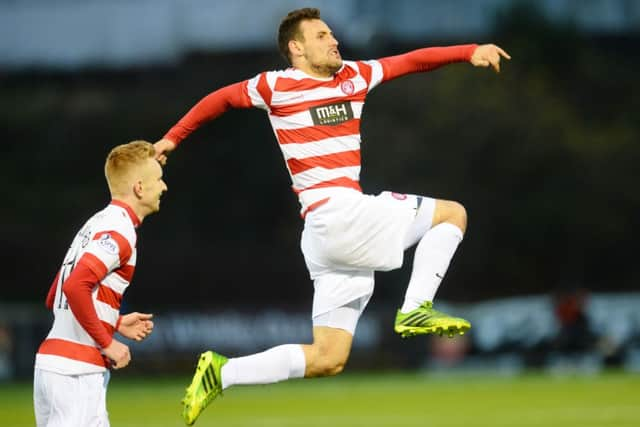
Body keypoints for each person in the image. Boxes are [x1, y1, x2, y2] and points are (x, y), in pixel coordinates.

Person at [153, 8, 510, 425]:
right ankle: (415, 308)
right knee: (453, 214)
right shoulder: (276, 86)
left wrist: (468, 51)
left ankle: (222, 372)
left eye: (332, 35)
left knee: (328, 358)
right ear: (296, 47)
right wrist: (173, 138)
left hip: (330, 237)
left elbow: (411, 61)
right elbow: (222, 98)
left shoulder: (353, 77)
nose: (334, 41)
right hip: (337, 214)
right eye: (322, 36)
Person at [33, 140, 167, 427]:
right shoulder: (120, 230)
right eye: (158, 179)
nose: (164, 187)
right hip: (76, 373)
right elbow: (74, 287)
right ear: (139, 188)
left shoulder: (95, 223)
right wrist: (108, 343)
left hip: (54, 367)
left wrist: (114, 322)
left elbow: (54, 295)